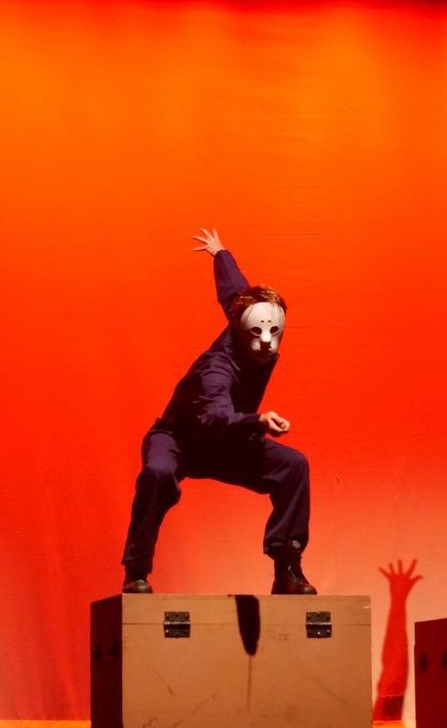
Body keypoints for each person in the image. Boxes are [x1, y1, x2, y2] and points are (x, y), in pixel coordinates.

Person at [120, 229, 315, 595]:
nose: (267, 342)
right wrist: (257, 420)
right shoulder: (217, 371)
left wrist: (221, 254)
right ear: (242, 333)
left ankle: (286, 566)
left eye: (275, 333)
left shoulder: (243, 314)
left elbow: (233, 291)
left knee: (293, 466)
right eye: (258, 334)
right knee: (158, 475)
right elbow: (214, 417)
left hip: (228, 440)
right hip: (181, 438)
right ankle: (136, 570)